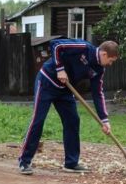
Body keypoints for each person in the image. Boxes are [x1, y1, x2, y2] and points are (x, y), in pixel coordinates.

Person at [18, 38, 119, 174]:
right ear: (104, 54)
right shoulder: (83, 48)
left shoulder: (99, 69)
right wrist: (60, 69)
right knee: (38, 120)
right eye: (111, 61)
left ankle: (71, 163)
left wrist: (104, 120)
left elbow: (97, 93)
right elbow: (56, 45)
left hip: (65, 89)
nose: (110, 64)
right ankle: (24, 161)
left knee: (72, 120)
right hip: (47, 82)